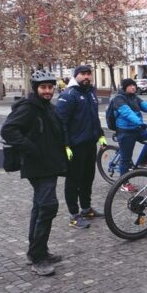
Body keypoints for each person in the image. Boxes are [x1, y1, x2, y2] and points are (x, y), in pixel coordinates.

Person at [0, 69, 68, 276]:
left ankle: (37, 251)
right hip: (38, 166)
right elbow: (8, 130)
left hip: (49, 165)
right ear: (36, 88)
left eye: (50, 87)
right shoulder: (30, 108)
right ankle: (38, 259)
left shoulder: (47, 107)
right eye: (43, 87)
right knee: (48, 207)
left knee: (40, 207)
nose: (47, 91)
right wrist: (31, 148)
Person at [55, 65, 106, 229]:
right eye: (83, 74)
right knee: (73, 180)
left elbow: (94, 118)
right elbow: (61, 123)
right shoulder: (68, 95)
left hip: (89, 143)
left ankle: (86, 208)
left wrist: (100, 135)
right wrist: (65, 145)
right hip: (75, 147)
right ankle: (74, 215)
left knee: (87, 178)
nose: (86, 77)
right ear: (75, 76)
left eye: (88, 74)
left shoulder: (90, 93)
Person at [112, 78, 147, 192]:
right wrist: (140, 122)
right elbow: (127, 113)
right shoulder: (118, 99)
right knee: (126, 158)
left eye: (134, 85)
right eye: (130, 86)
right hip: (125, 130)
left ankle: (143, 161)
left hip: (137, 128)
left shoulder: (134, 97)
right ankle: (124, 183)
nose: (133, 87)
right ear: (124, 87)